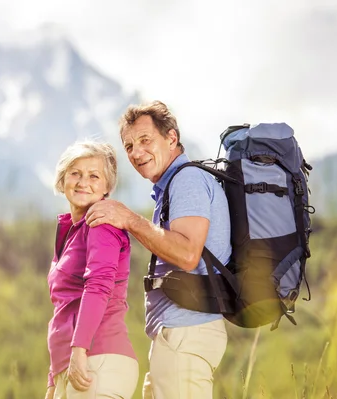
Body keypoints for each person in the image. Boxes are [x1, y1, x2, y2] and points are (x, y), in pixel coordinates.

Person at [85, 101, 231, 399]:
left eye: (145, 140)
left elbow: (188, 254)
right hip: (175, 337)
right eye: (128, 146)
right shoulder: (173, 185)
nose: (136, 152)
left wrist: (128, 219)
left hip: (186, 334)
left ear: (172, 138)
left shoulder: (188, 180)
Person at [46, 140, 139, 399]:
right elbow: (63, 309)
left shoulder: (101, 223)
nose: (82, 181)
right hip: (73, 362)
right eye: (75, 173)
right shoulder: (71, 230)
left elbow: (98, 287)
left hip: (97, 360)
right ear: (63, 178)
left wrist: (79, 350)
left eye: (94, 176)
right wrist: (53, 379)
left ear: (107, 186)